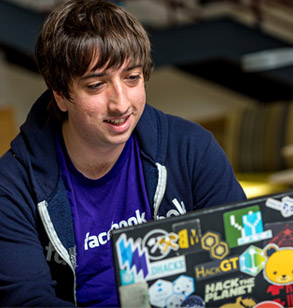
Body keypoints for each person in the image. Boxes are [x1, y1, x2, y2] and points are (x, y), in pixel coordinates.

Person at [0, 0, 246, 306]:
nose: (120, 104)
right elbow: (28, 301)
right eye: (96, 85)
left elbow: (242, 261)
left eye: (132, 78)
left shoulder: (192, 148)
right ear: (61, 95)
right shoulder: (12, 185)